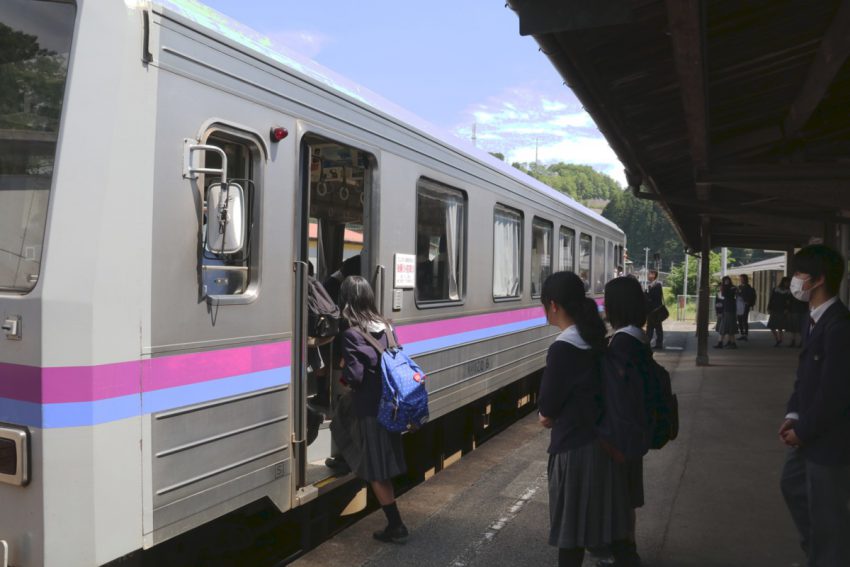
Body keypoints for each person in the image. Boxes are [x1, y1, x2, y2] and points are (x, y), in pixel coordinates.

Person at [779, 244, 850, 566]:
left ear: (817, 280)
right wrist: (793, 415)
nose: (794, 280)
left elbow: (834, 393)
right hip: (810, 432)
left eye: (798, 273)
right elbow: (804, 377)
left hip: (830, 441)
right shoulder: (815, 320)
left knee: (828, 514)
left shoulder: (840, 326)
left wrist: (804, 431)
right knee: (793, 485)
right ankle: (820, 554)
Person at [537, 271, 611, 567]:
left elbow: (547, 411)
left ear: (553, 305)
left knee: (570, 533)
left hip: (572, 450)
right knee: (593, 524)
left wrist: (546, 415)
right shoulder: (595, 339)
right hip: (600, 445)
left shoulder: (562, 349)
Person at [335, 276, 409, 542]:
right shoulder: (387, 325)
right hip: (392, 405)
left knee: (376, 472)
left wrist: (344, 367)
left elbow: (354, 377)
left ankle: (396, 525)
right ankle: (346, 458)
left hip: (371, 408)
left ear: (346, 301)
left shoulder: (351, 334)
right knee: (343, 416)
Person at [599, 276, 650, 567]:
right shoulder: (637, 338)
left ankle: (624, 554)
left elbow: (619, 398)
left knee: (618, 495)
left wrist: (608, 437)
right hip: (635, 431)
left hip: (621, 435)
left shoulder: (622, 344)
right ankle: (627, 548)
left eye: (607, 300)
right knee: (628, 494)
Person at [715, 276, 738, 349]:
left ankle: (723, 343)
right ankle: (730, 343)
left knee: (725, 327)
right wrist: (718, 311)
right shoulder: (726, 289)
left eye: (727, 280)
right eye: (725, 280)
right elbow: (719, 301)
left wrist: (723, 289)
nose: (726, 282)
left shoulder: (732, 288)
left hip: (729, 310)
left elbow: (728, 295)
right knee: (728, 328)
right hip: (726, 310)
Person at [645, 269, 664, 350]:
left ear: (653, 275)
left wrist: (646, 294)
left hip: (656, 310)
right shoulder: (651, 285)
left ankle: (658, 343)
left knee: (657, 327)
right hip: (651, 310)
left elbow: (655, 297)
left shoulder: (657, 285)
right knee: (650, 327)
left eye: (649, 274)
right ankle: (648, 343)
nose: (647, 275)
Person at [736, 274, 756, 341]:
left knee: (744, 320)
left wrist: (749, 303)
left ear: (745, 279)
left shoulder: (749, 288)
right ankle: (742, 334)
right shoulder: (739, 287)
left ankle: (745, 335)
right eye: (740, 279)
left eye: (742, 279)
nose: (741, 280)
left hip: (745, 305)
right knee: (739, 320)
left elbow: (753, 297)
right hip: (739, 305)